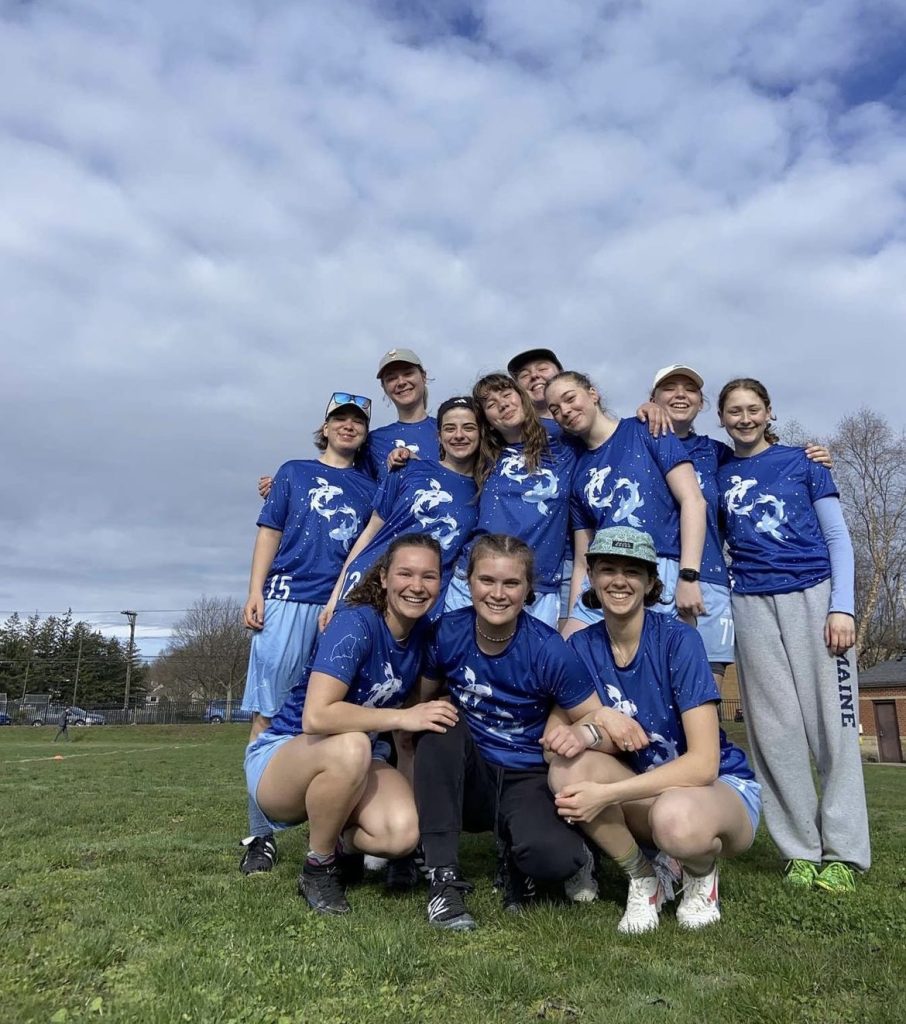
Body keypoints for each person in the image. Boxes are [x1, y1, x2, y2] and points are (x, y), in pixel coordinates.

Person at [551, 526, 760, 933]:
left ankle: (700, 873)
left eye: (633, 571)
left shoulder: (678, 641)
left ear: (650, 582)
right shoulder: (578, 647)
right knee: (566, 769)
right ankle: (643, 876)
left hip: (714, 790)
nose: (619, 581)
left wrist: (607, 794)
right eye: (608, 568)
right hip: (647, 789)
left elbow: (702, 764)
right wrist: (595, 726)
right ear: (591, 577)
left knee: (675, 821)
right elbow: (553, 744)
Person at [244, 534, 456, 914]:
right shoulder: (354, 623)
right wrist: (402, 715)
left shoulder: (425, 636)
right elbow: (318, 716)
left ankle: (341, 839)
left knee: (400, 835)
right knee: (352, 743)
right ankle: (319, 866)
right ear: (384, 578)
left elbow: (407, 734)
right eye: (405, 573)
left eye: (429, 576)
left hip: (357, 759)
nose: (417, 586)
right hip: (287, 755)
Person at [716, 378, 870, 891]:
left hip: (815, 597)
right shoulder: (719, 472)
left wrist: (842, 608)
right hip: (752, 603)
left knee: (834, 727)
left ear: (768, 412)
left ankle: (844, 854)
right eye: (734, 410)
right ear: (722, 418)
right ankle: (800, 851)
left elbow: (837, 538)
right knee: (775, 733)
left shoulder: (805, 462)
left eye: (752, 409)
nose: (744, 418)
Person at [416, 534, 605, 931]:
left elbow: (596, 718)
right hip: (473, 775)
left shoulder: (548, 648)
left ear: (529, 589)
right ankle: (442, 878)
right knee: (436, 723)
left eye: (511, 583)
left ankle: (536, 853)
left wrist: (573, 732)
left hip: (527, 775)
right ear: (468, 582)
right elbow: (422, 698)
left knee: (553, 860)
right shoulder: (447, 632)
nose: (498, 594)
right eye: (487, 580)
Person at [238, 393, 377, 875]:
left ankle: (339, 836)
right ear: (325, 426)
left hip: (340, 607)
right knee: (269, 715)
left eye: (357, 421)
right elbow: (269, 532)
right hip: (285, 601)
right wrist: (255, 590)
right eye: (340, 419)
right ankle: (260, 836)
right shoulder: (293, 472)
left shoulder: (370, 485)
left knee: (339, 716)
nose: (348, 427)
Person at [639, 364, 834, 686]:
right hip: (648, 575)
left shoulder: (717, 455)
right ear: (653, 397)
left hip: (707, 581)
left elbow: (758, 463)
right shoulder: (633, 441)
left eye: (689, 389)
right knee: (647, 685)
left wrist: (812, 458)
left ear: (702, 404)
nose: (680, 395)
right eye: (669, 388)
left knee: (703, 691)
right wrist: (643, 413)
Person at [543, 370, 706, 636]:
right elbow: (584, 560)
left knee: (662, 666)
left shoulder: (647, 429)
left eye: (570, 398)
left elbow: (693, 501)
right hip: (605, 575)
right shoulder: (578, 469)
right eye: (555, 408)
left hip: (657, 569)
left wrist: (689, 577)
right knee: (570, 653)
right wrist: (575, 611)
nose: (565, 410)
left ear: (592, 394)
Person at [320, 397, 481, 627]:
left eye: (468, 427)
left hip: (419, 600)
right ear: (438, 436)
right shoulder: (408, 469)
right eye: (449, 428)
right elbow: (370, 533)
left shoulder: (483, 489)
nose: (458, 435)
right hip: (368, 586)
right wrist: (335, 597)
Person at [444, 373, 576, 628]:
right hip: (473, 581)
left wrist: (651, 409)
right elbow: (445, 458)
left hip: (536, 588)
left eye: (506, 394)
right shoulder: (483, 454)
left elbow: (603, 430)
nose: (502, 404)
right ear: (488, 421)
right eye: (491, 404)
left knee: (530, 667)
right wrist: (405, 457)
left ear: (522, 396)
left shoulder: (564, 443)